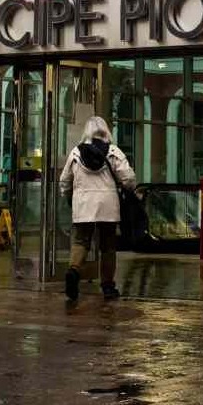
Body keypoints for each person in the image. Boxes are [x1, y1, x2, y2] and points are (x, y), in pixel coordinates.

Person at [58, 116, 140, 302]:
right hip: (107, 206)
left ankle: (74, 270)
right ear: (106, 131)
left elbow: (64, 181)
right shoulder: (113, 151)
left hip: (83, 204)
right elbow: (128, 179)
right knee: (108, 247)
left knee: (81, 241)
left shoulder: (75, 153)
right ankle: (108, 286)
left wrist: (69, 196)